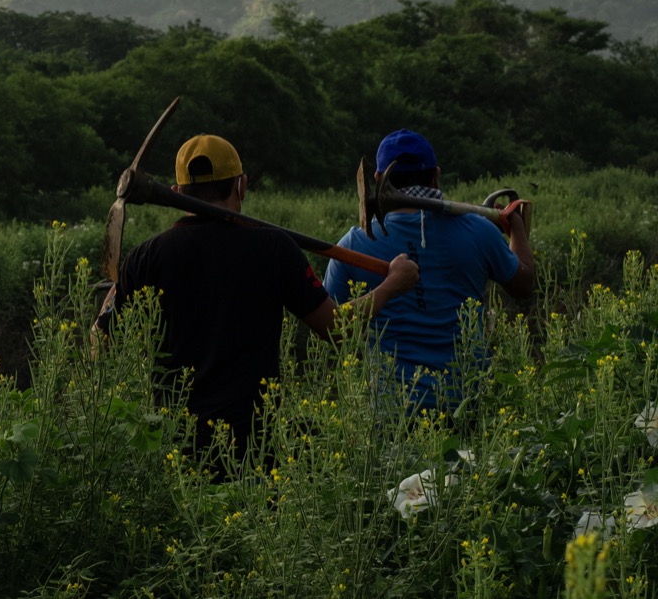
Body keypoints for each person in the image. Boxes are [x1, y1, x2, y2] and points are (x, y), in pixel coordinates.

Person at [95, 134, 418, 471]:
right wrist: (393, 284)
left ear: (177, 193)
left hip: (173, 453)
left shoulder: (144, 258)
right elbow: (337, 329)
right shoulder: (274, 248)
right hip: (255, 453)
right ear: (241, 186)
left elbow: (99, 337)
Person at [323, 129, 535, 416]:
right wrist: (518, 232)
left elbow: (329, 325)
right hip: (466, 408)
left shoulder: (354, 244)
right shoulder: (479, 231)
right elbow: (524, 285)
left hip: (392, 417)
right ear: (435, 176)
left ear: (377, 181)